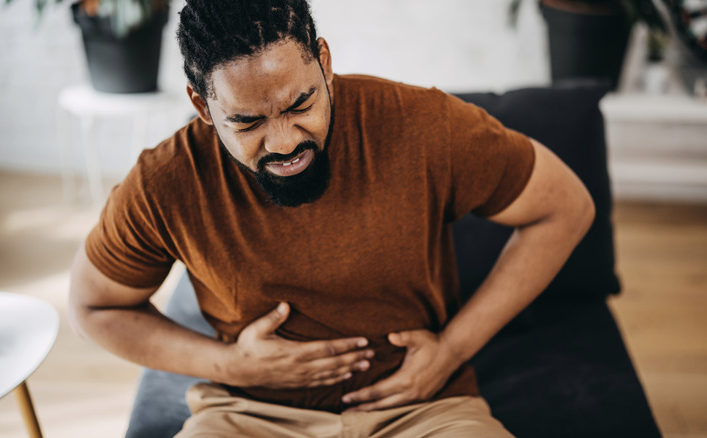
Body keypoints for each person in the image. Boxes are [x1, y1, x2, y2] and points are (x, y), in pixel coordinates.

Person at [68, 0, 595, 436]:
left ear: (323, 61)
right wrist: (229, 366)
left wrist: (452, 349)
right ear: (203, 106)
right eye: (247, 122)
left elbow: (566, 206)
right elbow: (94, 307)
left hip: (423, 410)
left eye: (300, 104)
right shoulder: (166, 183)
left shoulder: (424, 126)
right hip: (249, 417)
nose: (284, 142)